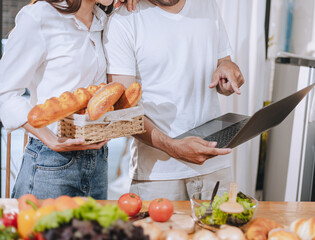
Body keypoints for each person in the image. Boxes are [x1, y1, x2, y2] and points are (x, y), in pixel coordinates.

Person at [104, 0, 245, 200]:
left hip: (214, 166)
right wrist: (172, 146)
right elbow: (124, 110)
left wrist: (228, 73)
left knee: (223, 231)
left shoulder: (208, 6)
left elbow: (223, 64)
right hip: (158, 175)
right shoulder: (123, 20)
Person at [0, 0, 137, 199]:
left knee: (92, 230)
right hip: (51, 162)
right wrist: (51, 139)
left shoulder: (103, 20)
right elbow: (5, 92)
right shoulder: (40, 16)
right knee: (42, 230)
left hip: (98, 160)